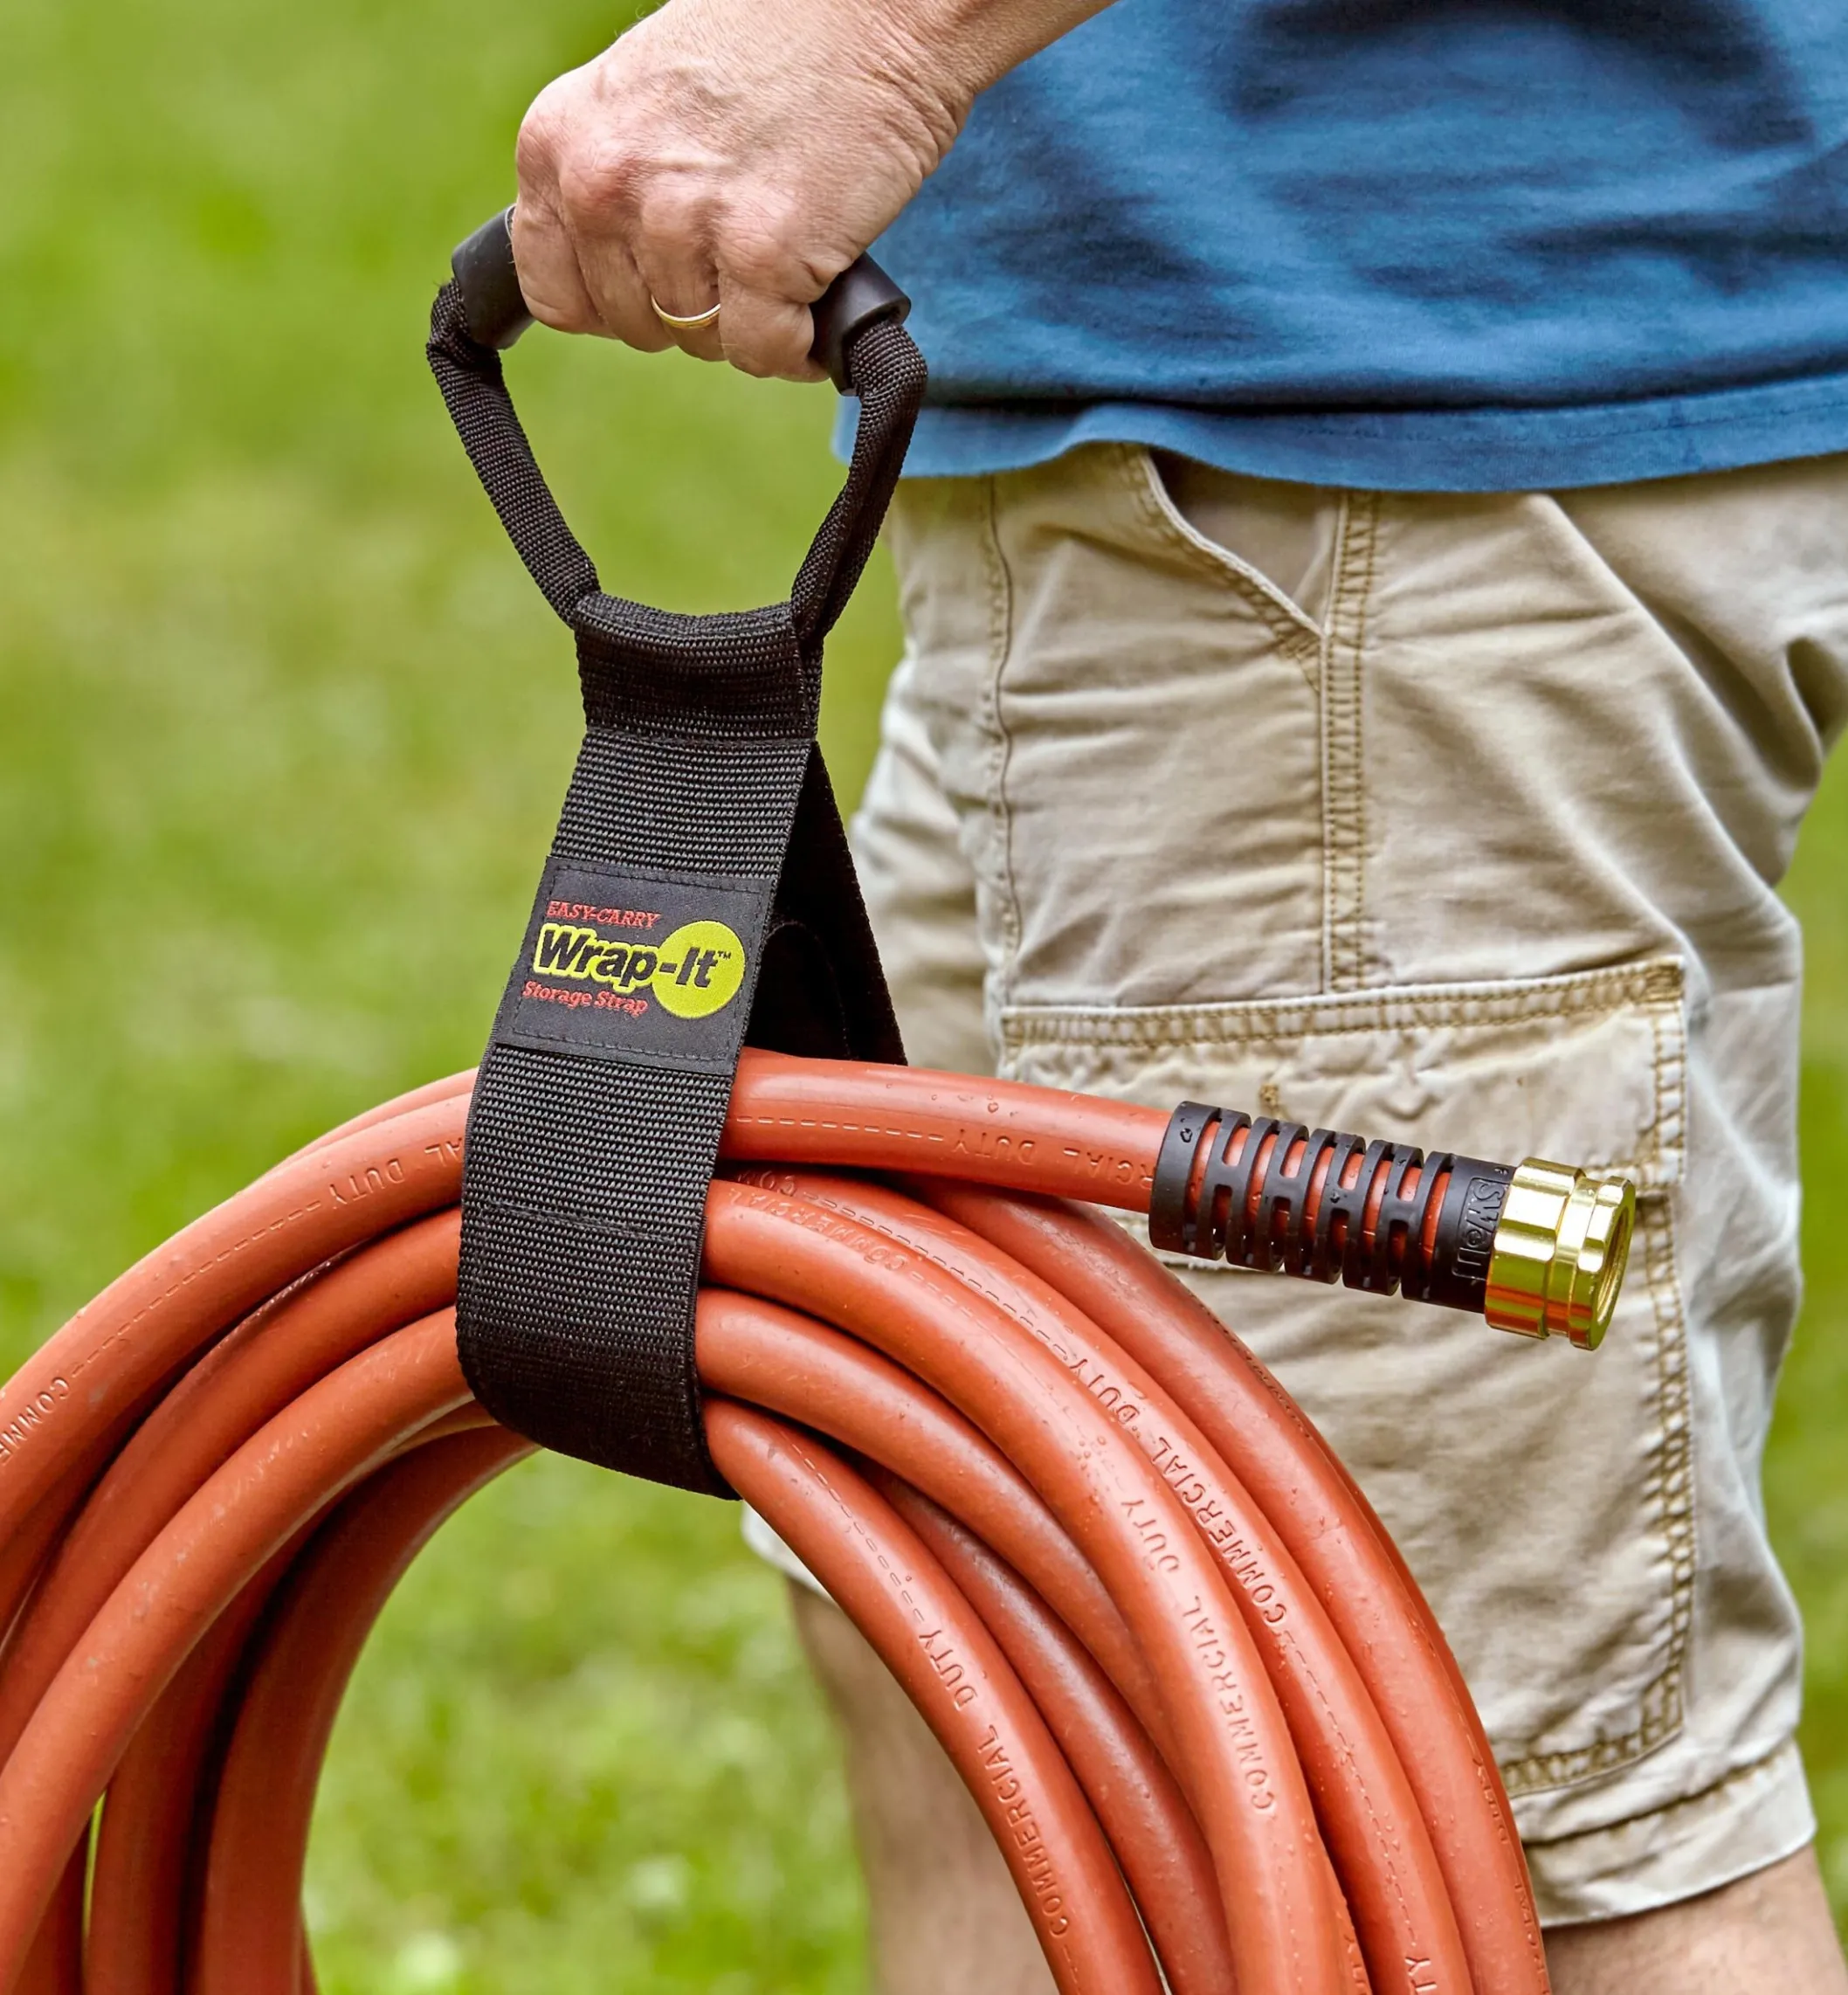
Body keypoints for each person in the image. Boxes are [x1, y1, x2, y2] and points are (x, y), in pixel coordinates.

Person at [505, 1, 1848, 1989]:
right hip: (1120, 450)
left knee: (1472, 1824)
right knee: (939, 1616)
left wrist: (878, 36)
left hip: (1366, 476)